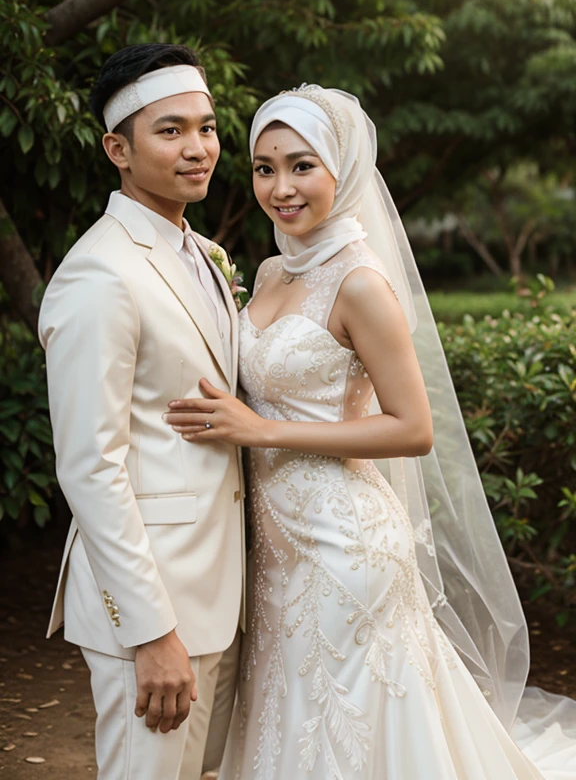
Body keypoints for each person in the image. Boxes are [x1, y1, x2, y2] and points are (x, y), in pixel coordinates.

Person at [165, 84, 576, 779]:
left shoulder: (359, 282)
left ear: (343, 171)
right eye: (265, 167)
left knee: (352, 724)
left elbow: (413, 428)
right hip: (276, 545)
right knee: (290, 716)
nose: (280, 187)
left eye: (302, 166)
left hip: (344, 544)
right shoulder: (269, 270)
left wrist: (262, 431)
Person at [39, 44, 245, 780]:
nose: (198, 148)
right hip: (155, 607)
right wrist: (153, 633)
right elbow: (90, 465)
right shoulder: (100, 273)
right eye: (171, 130)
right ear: (116, 149)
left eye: (208, 126)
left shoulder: (206, 254)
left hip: (223, 589)